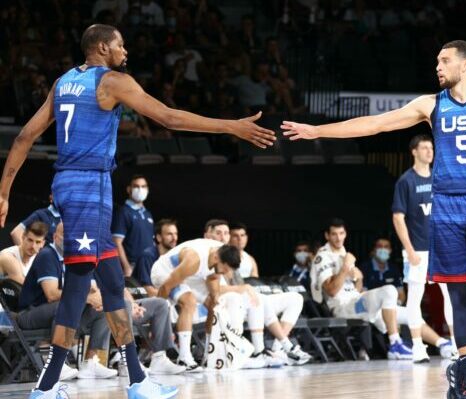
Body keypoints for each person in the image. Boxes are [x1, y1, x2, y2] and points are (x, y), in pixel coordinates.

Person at [0, 23, 275, 399]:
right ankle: (46, 387)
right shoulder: (111, 81)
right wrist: (231, 127)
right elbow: (169, 118)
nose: (125, 51)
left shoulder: (63, 81)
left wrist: (3, 193)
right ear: (101, 47)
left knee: (113, 284)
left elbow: (23, 137)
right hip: (87, 190)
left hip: (73, 185)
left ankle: (137, 380)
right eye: (120, 45)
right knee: (78, 285)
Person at [283, 40, 466, 398]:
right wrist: (318, 131)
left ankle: (462, 367)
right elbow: (376, 124)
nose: (437, 66)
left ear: (465, 65)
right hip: (447, 206)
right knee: (458, 294)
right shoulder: (431, 104)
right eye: (436, 60)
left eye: (444, 60)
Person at [17, 223, 116, 380]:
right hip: (29, 314)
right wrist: (86, 297)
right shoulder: (47, 255)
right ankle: (56, 363)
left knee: (103, 309)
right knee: (69, 304)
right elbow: (51, 294)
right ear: (56, 237)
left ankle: (90, 363)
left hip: (59, 312)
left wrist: (98, 298)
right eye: (66, 234)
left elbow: (91, 287)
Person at [207, 220, 311, 366]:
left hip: (251, 301)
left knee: (295, 298)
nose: (225, 237)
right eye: (231, 235)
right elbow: (216, 288)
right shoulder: (214, 257)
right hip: (232, 303)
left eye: (226, 233)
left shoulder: (249, 259)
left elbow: (256, 284)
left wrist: (247, 289)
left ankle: (277, 348)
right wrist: (243, 289)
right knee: (257, 299)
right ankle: (271, 349)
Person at [392, 134, 457, 363]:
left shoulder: (439, 178)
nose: (430, 151)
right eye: (425, 147)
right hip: (417, 250)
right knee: (415, 297)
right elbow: (398, 218)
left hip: (440, 249)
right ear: (414, 152)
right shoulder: (405, 181)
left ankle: (457, 345)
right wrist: (408, 249)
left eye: (431, 148)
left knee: (451, 295)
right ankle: (418, 346)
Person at [311, 218, 413, 360]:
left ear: (345, 234)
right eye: (334, 234)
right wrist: (345, 268)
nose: (338, 238)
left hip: (355, 302)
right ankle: (395, 343)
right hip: (342, 308)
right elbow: (332, 291)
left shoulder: (343, 253)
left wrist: (359, 279)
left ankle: (441, 344)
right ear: (327, 236)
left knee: (412, 314)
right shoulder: (322, 257)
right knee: (389, 290)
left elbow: (356, 290)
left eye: (341, 233)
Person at [150, 238, 241, 371]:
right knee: (189, 302)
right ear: (216, 257)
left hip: (190, 277)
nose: (225, 273)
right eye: (225, 269)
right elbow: (166, 286)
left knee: (214, 305)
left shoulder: (221, 254)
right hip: (165, 272)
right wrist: (157, 315)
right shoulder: (194, 259)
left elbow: (213, 276)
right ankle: (184, 357)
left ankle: (209, 354)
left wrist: (214, 297)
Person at [112, 174, 154, 277]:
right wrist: (126, 267)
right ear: (129, 189)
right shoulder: (124, 212)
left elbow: (152, 243)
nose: (140, 189)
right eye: (136, 186)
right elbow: (116, 242)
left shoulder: (148, 214)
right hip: (132, 266)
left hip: (148, 266)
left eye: (143, 186)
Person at [132, 218, 178, 297]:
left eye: (176, 234)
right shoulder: (147, 256)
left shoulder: (175, 257)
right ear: (159, 237)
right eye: (169, 234)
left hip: (158, 294)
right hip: (136, 293)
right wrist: (174, 297)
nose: (174, 238)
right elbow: (147, 289)